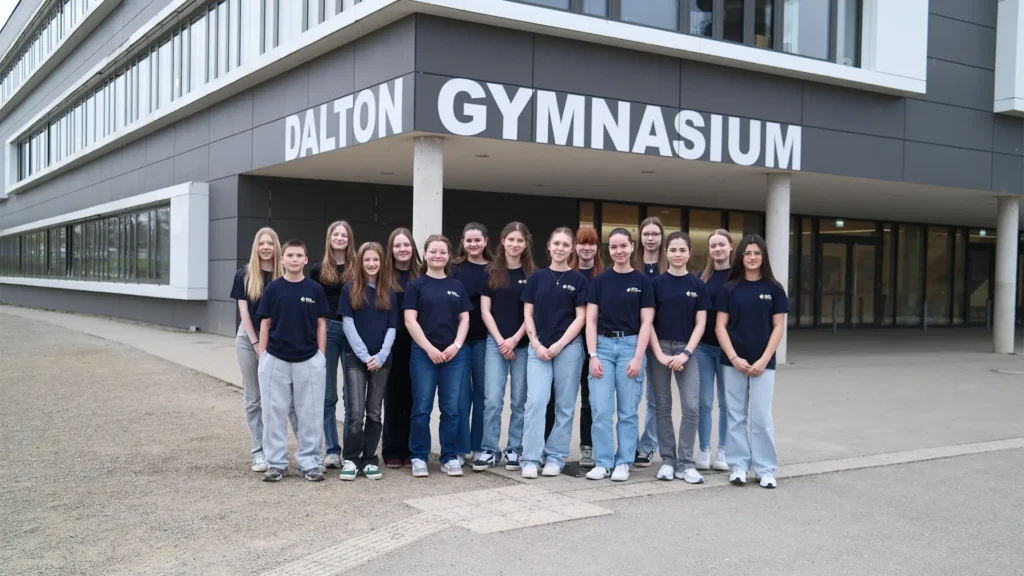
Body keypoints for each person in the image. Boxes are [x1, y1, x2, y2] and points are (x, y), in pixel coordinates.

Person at [714, 234, 788, 489]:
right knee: (734, 416)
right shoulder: (729, 288)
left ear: (764, 257)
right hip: (732, 362)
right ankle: (738, 466)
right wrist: (734, 357)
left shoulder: (774, 289)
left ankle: (766, 468)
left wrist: (764, 359)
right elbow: (720, 326)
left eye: (757, 253)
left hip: (763, 363)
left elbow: (778, 328)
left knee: (761, 417)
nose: (753, 257)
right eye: (748, 253)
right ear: (741, 257)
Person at [585, 228, 655, 482]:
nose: (619, 251)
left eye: (623, 246)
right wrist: (592, 355)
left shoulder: (642, 281)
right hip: (602, 347)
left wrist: (638, 357)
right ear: (609, 250)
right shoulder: (599, 281)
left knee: (627, 411)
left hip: (630, 347)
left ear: (632, 246)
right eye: (614, 247)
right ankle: (603, 462)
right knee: (601, 409)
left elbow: (647, 322)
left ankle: (623, 462)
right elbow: (590, 321)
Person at [256, 240, 329, 482]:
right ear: (283, 259)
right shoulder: (273, 289)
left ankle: (309, 463)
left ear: (306, 260)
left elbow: (321, 324)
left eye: (299, 255)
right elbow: (265, 323)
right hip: (275, 358)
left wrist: (321, 355)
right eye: (290, 255)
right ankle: (276, 463)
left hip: (309, 359)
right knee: (273, 413)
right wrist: (263, 355)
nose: (295, 259)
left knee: (310, 413)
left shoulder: (314, 289)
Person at [521, 227, 587, 478]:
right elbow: (528, 314)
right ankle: (531, 457)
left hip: (568, 349)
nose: (560, 248)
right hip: (537, 348)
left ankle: (556, 457)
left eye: (565, 244)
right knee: (536, 402)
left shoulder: (579, 280)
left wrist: (559, 344)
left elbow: (581, 317)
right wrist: (536, 344)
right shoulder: (536, 278)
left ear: (572, 249)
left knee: (565, 405)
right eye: (556, 243)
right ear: (548, 246)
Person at [405, 234, 473, 478]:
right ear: (425, 254)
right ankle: (419, 456)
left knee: (452, 409)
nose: (437, 255)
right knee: (421, 408)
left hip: (454, 355)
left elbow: (465, 318)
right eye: (433, 251)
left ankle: (449, 457)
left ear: (448, 256)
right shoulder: (416, 285)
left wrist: (456, 345)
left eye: (442, 252)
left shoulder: (457, 286)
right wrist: (429, 348)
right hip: (424, 355)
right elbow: (410, 320)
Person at [230, 227, 297, 472]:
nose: (266, 247)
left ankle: (296, 452)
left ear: (277, 247)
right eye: (262, 243)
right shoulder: (244, 275)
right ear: (256, 247)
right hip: (249, 340)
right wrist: (257, 344)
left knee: (284, 400)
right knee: (253, 399)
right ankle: (259, 453)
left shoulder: (286, 274)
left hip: (278, 342)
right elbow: (244, 313)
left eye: (270, 242)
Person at [648, 232, 710, 483]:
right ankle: (668, 461)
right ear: (666, 252)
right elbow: (648, 322)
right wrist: (660, 354)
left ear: (689, 253)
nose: (677, 254)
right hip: (659, 349)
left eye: (682, 250)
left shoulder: (698, 285)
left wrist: (686, 353)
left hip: (687, 350)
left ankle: (685, 462)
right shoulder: (656, 284)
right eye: (672, 250)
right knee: (662, 407)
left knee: (691, 407)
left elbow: (701, 323)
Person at [474, 223, 534, 471]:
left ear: (526, 244)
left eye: (520, 240)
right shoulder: (490, 272)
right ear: (503, 241)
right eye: (511, 240)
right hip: (495, 343)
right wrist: (500, 340)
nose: (515, 244)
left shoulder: (533, 274)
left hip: (522, 344)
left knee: (520, 400)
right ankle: (489, 449)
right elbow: (485, 311)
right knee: (492, 400)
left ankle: (514, 450)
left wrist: (514, 339)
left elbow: (532, 314)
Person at [338, 242, 399, 481]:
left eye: (375, 260)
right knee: (355, 412)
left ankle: (370, 459)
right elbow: (348, 324)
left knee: (374, 412)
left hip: (382, 359)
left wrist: (381, 356)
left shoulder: (389, 292)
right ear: (360, 262)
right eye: (367, 260)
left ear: (381, 263)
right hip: (356, 358)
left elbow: (393, 327)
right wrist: (365, 356)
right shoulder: (349, 289)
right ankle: (351, 459)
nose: (371, 264)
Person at [547, 226, 604, 468]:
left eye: (591, 243)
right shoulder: (561, 273)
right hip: (564, 345)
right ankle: (545, 446)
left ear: (597, 247)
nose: (586, 247)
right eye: (582, 243)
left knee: (590, 400)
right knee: (553, 398)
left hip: (595, 345)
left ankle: (587, 448)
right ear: (574, 247)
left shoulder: (604, 275)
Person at [310, 220, 356, 469]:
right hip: (326, 329)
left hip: (352, 330)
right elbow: (313, 305)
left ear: (350, 239)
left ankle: (350, 450)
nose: (340, 238)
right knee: (328, 394)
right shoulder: (318, 269)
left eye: (344, 235)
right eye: (335, 234)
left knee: (352, 395)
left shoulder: (358, 266)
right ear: (329, 238)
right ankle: (331, 449)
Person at [381, 228, 422, 469]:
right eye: (397, 246)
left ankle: (412, 449)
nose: (402, 249)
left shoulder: (422, 273)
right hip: (391, 342)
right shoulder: (385, 275)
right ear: (391, 249)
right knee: (393, 396)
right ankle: (393, 449)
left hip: (418, 342)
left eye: (406, 245)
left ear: (413, 247)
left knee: (416, 396)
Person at [452, 223, 491, 464]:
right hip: (459, 339)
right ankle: (460, 446)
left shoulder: (494, 269)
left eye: (478, 240)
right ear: (463, 242)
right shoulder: (454, 268)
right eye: (469, 240)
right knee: (460, 394)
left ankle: (478, 445)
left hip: (485, 339)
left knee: (482, 394)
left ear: (486, 241)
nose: (474, 244)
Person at [696, 229, 734, 472]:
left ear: (731, 246)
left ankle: (723, 450)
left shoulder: (738, 277)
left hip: (727, 349)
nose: (718, 249)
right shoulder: (702, 278)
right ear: (709, 250)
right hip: (703, 347)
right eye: (713, 246)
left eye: (722, 244)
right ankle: (703, 450)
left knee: (727, 402)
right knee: (704, 401)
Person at [633, 217, 667, 467]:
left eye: (655, 234)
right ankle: (630, 444)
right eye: (647, 234)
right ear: (640, 237)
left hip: (661, 340)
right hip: (632, 338)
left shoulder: (669, 266)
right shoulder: (632, 265)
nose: (651, 238)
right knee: (630, 397)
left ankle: (648, 445)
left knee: (656, 398)